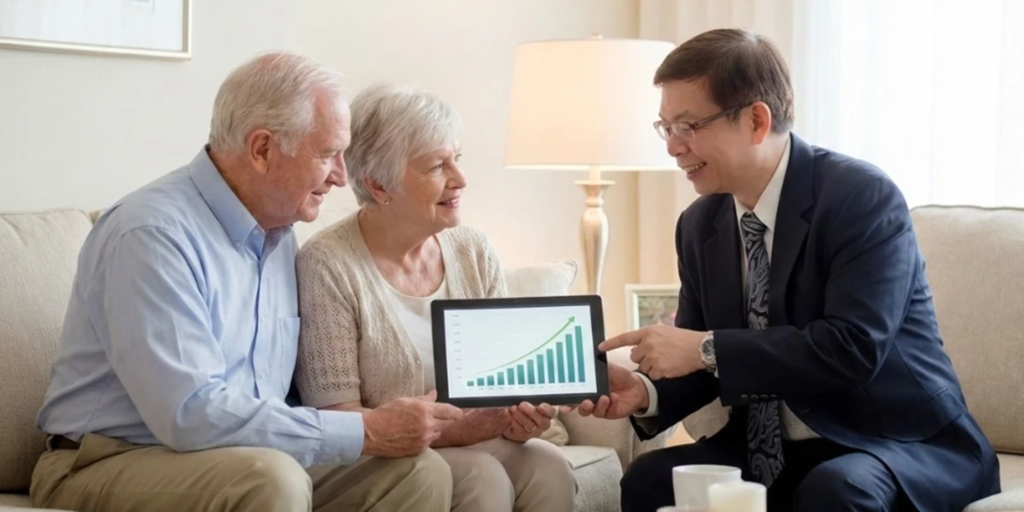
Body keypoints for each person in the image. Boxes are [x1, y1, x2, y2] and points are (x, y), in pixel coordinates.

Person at [578, 29, 1000, 512]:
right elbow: (706, 364)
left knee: (837, 489)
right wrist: (645, 392)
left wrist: (703, 347)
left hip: (890, 440)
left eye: (688, 126)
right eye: (666, 127)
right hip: (771, 452)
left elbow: (853, 348)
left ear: (757, 120)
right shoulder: (699, 225)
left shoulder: (860, 197)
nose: (674, 147)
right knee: (650, 480)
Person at [31, 52, 465, 512]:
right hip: (110, 459)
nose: (341, 176)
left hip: (245, 456)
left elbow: (278, 397)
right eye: (327, 155)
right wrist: (367, 430)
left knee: (417, 472)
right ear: (262, 150)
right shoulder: (153, 235)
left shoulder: (280, 236)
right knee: (272, 480)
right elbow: (189, 413)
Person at [293, 83, 576, 512]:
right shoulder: (327, 264)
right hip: (379, 458)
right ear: (378, 185)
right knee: (480, 476)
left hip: (470, 440)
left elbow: (504, 382)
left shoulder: (473, 250)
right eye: (437, 166)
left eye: (457, 158)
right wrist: (461, 430)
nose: (460, 179)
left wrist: (520, 419)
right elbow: (338, 421)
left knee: (548, 466)